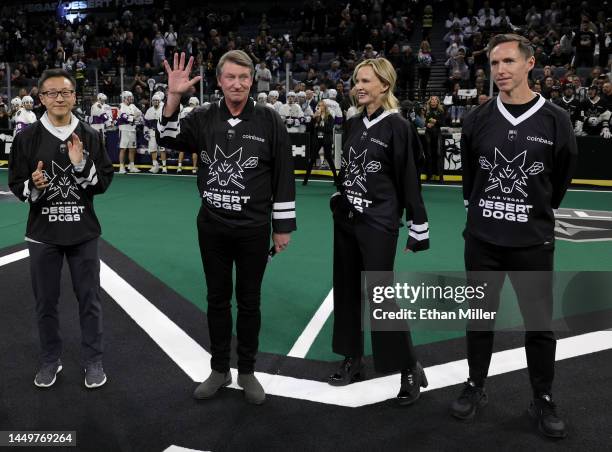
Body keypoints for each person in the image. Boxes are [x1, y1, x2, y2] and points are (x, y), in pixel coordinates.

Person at [453, 33, 577, 439]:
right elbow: (471, 179)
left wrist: (531, 213)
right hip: (483, 240)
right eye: (494, 64)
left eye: (508, 61)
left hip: (532, 242)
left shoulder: (555, 119)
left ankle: (542, 398)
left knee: (539, 326)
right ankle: (475, 385)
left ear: (529, 63)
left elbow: (558, 181)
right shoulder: (477, 119)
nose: (500, 70)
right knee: (479, 320)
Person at [156, 51, 296, 405]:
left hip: (253, 229)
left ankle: (247, 371)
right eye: (230, 77)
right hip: (213, 227)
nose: (237, 84)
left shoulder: (269, 120)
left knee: (249, 302)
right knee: (217, 300)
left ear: (253, 80)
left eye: (243, 77)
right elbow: (166, 139)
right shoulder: (202, 117)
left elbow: (283, 176)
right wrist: (173, 97)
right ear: (218, 80)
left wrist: (282, 227)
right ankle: (220, 369)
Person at [328, 58, 430, 405]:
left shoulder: (399, 126)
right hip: (347, 220)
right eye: (356, 80)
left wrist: (418, 226)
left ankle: (408, 366)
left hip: (380, 222)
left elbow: (409, 180)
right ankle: (353, 358)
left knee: (382, 295)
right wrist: (340, 196)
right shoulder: (354, 123)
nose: (358, 86)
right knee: (346, 288)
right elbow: (349, 168)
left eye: (366, 81)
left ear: (384, 86)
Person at [7, 68, 114, 389]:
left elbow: (103, 182)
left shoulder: (89, 135)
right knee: (45, 303)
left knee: (90, 300)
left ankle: (93, 359)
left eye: (65, 92)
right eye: (51, 93)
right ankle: (50, 359)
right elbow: (15, 184)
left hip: (83, 232)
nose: (59, 98)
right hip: (43, 234)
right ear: (41, 98)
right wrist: (33, 184)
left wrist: (82, 164)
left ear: (74, 97)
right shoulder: (26, 138)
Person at [303, 100, 338, 186]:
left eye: (321, 106)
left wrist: (319, 125)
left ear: (325, 107)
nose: (319, 107)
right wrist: (313, 118)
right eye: (318, 105)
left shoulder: (329, 117)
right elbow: (310, 128)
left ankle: (336, 179)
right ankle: (305, 179)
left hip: (326, 139)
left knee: (329, 158)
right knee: (312, 158)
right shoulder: (316, 116)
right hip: (317, 139)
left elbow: (329, 129)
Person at [117, 91, 142, 173]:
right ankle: (121, 167)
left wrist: (132, 117)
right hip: (124, 129)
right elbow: (125, 117)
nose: (131, 98)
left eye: (131, 97)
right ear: (124, 98)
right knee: (123, 149)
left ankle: (131, 166)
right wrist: (134, 117)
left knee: (132, 149)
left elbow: (140, 113)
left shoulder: (133, 105)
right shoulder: (121, 106)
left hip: (132, 129)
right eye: (129, 97)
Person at [144, 92, 167, 173]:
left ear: (159, 101)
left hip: (161, 132)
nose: (155, 102)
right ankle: (155, 166)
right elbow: (146, 123)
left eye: (157, 100)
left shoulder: (164, 109)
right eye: (154, 100)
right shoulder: (149, 110)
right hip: (152, 132)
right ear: (152, 101)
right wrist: (146, 132)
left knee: (162, 149)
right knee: (153, 149)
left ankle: (164, 167)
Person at [424, 96, 445, 181]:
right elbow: (423, 121)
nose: (433, 101)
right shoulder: (426, 110)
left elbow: (443, 123)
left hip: (437, 133)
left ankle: (440, 175)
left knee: (439, 154)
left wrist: (435, 122)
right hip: (428, 132)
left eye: (435, 100)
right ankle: (429, 175)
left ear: (437, 102)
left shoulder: (441, 111)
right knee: (428, 154)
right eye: (432, 99)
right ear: (430, 101)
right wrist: (426, 124)